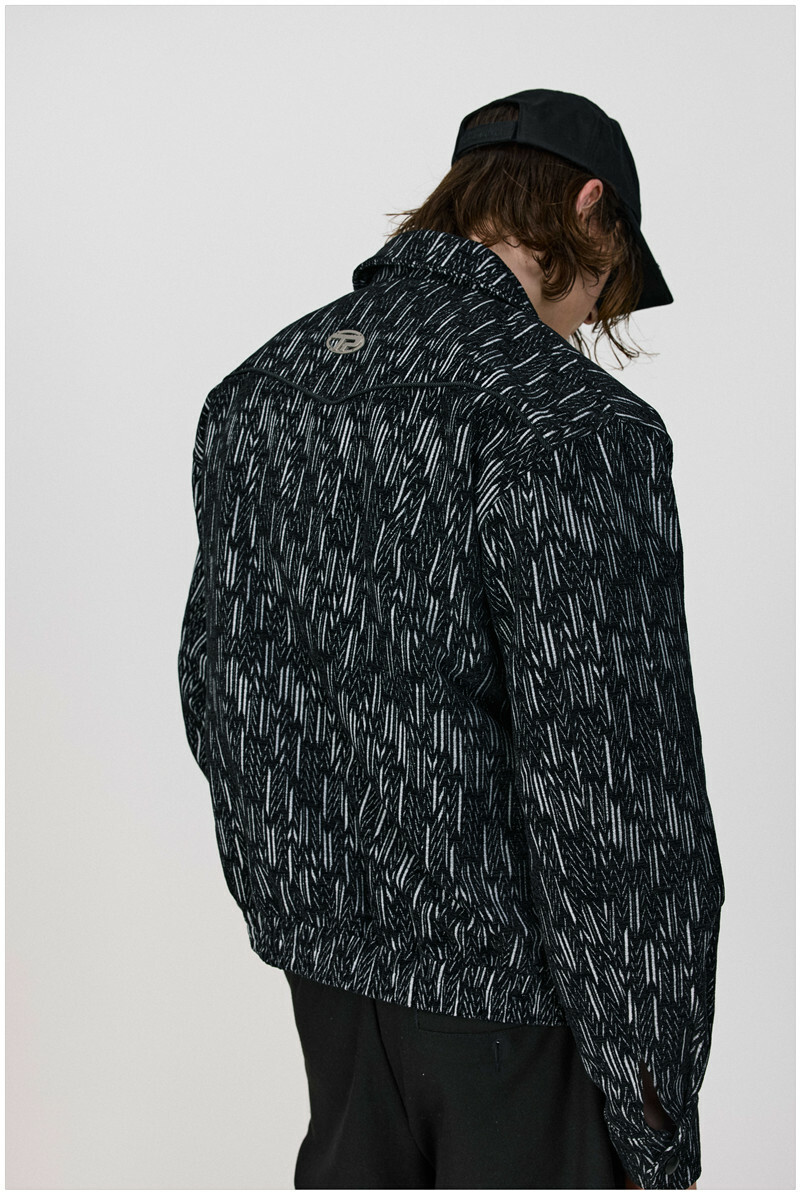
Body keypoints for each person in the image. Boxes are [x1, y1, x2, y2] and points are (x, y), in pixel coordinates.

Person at [177, 89, 725, 1190]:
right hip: (524, 1016)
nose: (585, 320)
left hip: (331, 993)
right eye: (606, 286)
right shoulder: (570, 423)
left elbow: (221, 684)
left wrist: (311, 918)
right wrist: (654, 1090)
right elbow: (616, 782)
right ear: (590, 208)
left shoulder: (261, 388)